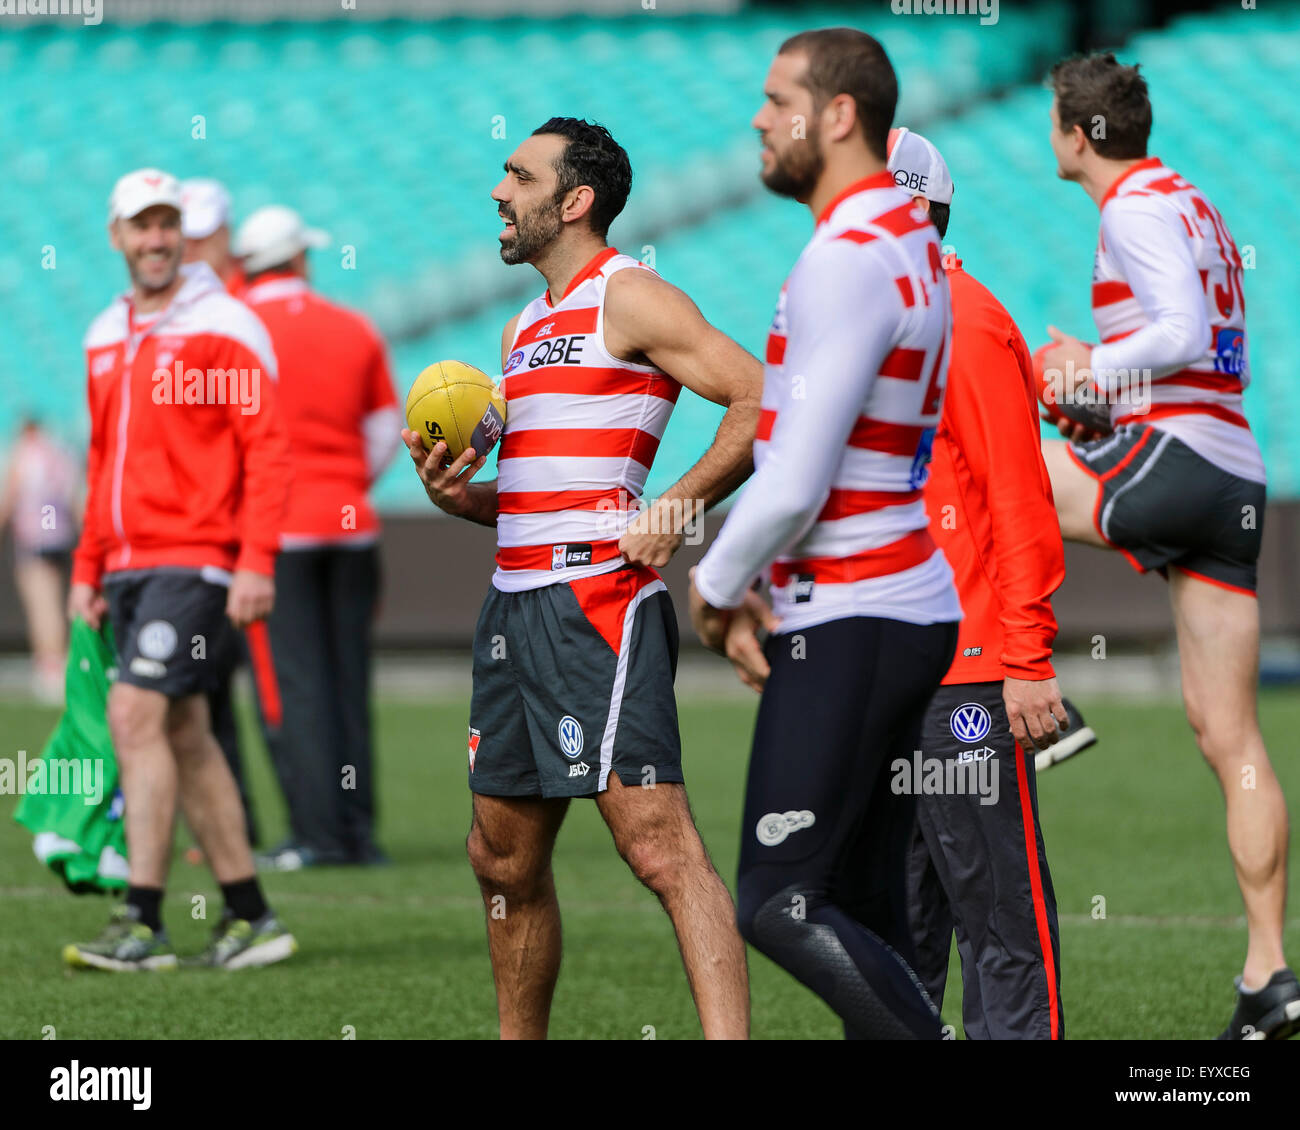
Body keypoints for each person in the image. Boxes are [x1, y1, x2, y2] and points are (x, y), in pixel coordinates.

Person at [403, 117, 760, 1039]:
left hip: (594, 603)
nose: (498, 191)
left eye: (518, 176)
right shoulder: (525, 325)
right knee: (501, 860)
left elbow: (761, 398)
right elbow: (535, 495)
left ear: (574, 201)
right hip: (511, 605)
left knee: (658, 848)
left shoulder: (628, 296)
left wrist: (677, 506)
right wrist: (462, 498)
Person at [690, 28, 960, 1040]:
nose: (758, 119)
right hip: (901, 603)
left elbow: (794, 478)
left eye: (776, 98)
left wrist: (715, 584)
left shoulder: (844, 254)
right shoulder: (908, 241)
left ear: (837, 114)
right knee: (864, 902)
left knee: (778, 897)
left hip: (855, 608)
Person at [1037, 52, 1298, 1040]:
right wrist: (1098, 399)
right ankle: (1268, 970)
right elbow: (1193, 346)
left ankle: (1031, 684)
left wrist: (1082, 365)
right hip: (1230, 473)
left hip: (1179, 459)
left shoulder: (1130, 207)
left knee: (980, 473)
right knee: (1226, 735)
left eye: (1053, 121)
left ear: (1077, 132)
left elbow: (1179, 330)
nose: (1049, 135)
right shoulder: (1191, 202)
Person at [63, 168, 296, 971]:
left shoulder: (227, 324)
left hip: (195, 559)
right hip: (126, 567)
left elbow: (268, 449)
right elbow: (101, 461)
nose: (156, 238)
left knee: (135, 717)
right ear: (117, 236)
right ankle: (250, 915)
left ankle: (143, 921)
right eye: (141, 225)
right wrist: (86, 567)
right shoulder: (101, 333)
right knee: (188, 735)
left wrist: (255, 560)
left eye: (168, 224)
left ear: (182, 233)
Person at [886, 126, 1067, 1039]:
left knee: (998, 919)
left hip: (969, 674)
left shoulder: (964, 318)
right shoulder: (885, 328)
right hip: (888, 677)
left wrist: (1028, 658)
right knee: (898, 927)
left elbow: (1018, 498)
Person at [235, 204, 402, 869]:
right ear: (300, 257)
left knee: (294, 687)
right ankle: (357, 831)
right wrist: (348, 486)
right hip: (351, 528)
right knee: (346, 682)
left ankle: (315, 835)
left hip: (278, 534)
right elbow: (387, 425)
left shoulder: (237, 329)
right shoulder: (352, 326)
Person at [180, 176, 258, 849]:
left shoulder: (234, 316)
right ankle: (223, 829)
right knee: (199, 698)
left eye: (203, 233)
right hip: (192, 539)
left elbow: (260, 442)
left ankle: (231, 835)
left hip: (228, 538)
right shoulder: (176, 315)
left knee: (210, 697)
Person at [0, 419, 79, 703]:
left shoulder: (25, 454)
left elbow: (10, 495)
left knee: (41, 606)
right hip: (60, 538)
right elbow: (74, 501)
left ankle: (50, 666)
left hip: (34, 540)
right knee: (57, 602)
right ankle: (62, 661)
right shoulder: (60, 453)